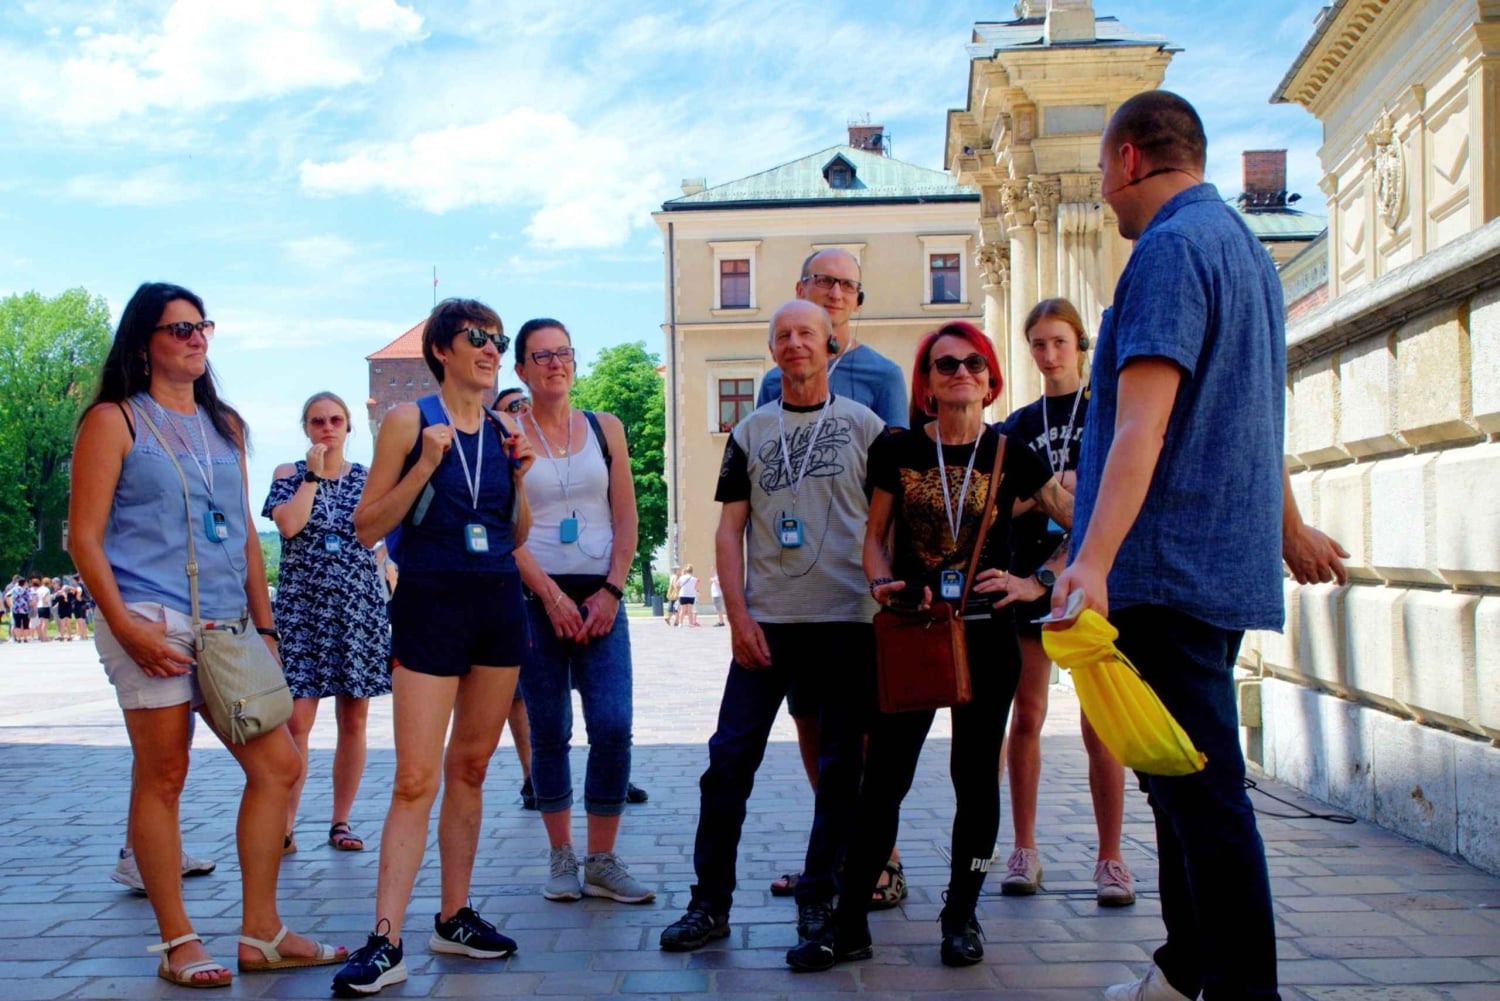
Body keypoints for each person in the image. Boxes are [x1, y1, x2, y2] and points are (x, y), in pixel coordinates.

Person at [1050, 91, 1348, 1001]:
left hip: (1165, 571)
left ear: (1133, 158)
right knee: (1180, 787)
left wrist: (1090, 560)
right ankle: (1184, 974)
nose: (1104, 193)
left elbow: (1143, 423)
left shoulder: (1169, 251)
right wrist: (1287, 527)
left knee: (1206, 801)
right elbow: (1252, 411)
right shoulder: (1249, 254)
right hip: (1214, 566)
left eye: (1104, 172)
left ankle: (1242, 991)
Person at [68, 281, 344, 988]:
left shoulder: (226, 426)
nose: (196, 338)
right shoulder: (115, 419)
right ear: (144, 342)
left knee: (278, 766)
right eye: (179, 328)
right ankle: (178, 940)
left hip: (226, 623)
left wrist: (268, 626)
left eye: (202, 326)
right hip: (150, 617)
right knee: (165, 774)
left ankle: (262, 931)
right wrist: (124, 625)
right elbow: (84, 538)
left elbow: (251, 543)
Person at [786, 320, 1075, 973]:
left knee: (975, 778)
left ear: (990, 377)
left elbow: (1079, 524)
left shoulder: (1012, 453)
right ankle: (849, 922)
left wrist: (1039, 581)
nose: (961, 373)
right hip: (914, 628)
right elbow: (875, 535)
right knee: (884, 778)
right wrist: (878, 579)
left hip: (988, 632)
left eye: (974, 362)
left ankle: (960, 915)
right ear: (926, 381)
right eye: (946, 364)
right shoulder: (898, 451)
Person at [659, 299, 885, 955]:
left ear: (830, 346)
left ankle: (820, 899)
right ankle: (710, 905)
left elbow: (886, 524)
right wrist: (737, 614)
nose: (795, 344)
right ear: (772, 349)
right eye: (783, 335)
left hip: (847, 621)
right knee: (727, 763)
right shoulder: (750, 432)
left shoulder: (866, 427)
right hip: (769, 626)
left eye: (806, 333)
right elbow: (728, 532)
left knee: (842, 769)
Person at [333, 298, 535, 996]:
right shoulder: (407, 420)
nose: (492, 349)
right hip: (430, 602)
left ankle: (455, 915)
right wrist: (423, 464)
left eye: (498, 339)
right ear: (442, 348)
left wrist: (523, 475)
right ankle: (385, 938)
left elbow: (518, 531)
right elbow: (366, 527)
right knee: (416, 777)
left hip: (497, 601)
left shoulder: (507, 427)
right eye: (478, 337)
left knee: (472, 767)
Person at [758, 247, 912, 905]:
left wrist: (892, 576)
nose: (838, 292)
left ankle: (884, 860)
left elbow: (902, 476)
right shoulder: (772, 382)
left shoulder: (880, 374)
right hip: (796, 584)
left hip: (859, 580)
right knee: (811, 722)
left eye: (850, 285)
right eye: (826, 281)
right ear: (802, 287)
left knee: (866, 730)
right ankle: (834, 853)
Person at [510, 318, 654, 905]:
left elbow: (627, 517)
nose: (554, 364)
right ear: (520, 368)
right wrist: (549, 595)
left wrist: (613, 591)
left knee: (614, 725)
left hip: (600, 596)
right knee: (549, 731)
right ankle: (561, 855)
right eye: (541, 356)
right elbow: (505, 528)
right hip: (535, 594)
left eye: (563, 352)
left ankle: (602, 858)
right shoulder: (506, 433)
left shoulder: (605, 428)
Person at [997, 298, 1133, 905]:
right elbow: (998, 503)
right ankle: (1023, 846)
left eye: (1058, 342)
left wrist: (1065, 494)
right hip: (1026, 581)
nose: (1048, 355)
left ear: (1079, 345)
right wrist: (1051, 493)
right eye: (1038, 345)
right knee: (1025, 716)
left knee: (1099, 724)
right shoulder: (1019, 425)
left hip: (1092, 582)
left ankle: (1110, 856)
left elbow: (1119, 492)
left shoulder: (1106, 413)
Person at [262, 391, 392, 856]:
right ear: (305, 427)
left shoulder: (368, 477)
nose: (327, 428)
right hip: (303, 609)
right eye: (317, 421)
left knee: (353, 717)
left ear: (349, 426)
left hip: (356, 609)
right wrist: (313, 477)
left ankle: (341, 820)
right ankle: (285, 821)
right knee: (298, 719)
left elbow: (378, 533)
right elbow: (289, 526)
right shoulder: (288, 475)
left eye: (336, 420)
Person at [495, 387, 539, 809]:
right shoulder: (497, 457)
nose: (522, 410)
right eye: (512, 407)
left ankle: (612, 774)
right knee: (519, 697)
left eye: (525, 403)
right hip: (516, 585)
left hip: (565, 577)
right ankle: (533, 776)